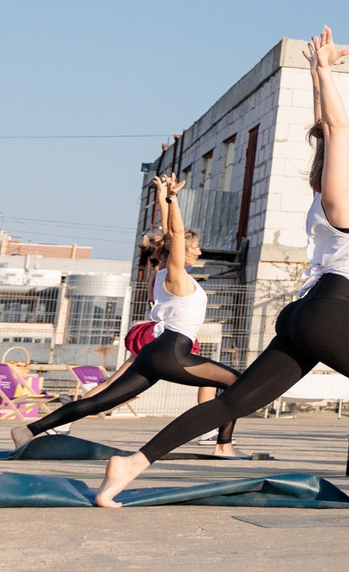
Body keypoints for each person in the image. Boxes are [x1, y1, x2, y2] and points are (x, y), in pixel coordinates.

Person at [98, 29, 349, 506]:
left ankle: (132, 463)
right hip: (329, 314)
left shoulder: (328, 197)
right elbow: (333, 129)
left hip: (307, 316)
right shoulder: (341, 198)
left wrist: (320, 75)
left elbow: (324, 131)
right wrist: (323, 71)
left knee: (236, 402)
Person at [15, 175, 242, 455]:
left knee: (104, 399)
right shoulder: (175, 275)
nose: (197, 250)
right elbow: (176, 234)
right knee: (235, 382)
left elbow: (171, 232)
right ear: (176, 251)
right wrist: (172, 199)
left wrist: (164, 197)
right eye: (192, 247)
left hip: (156, 351)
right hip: (172, 351)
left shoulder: (163, 277)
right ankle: (224, 445)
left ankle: (27, 430)